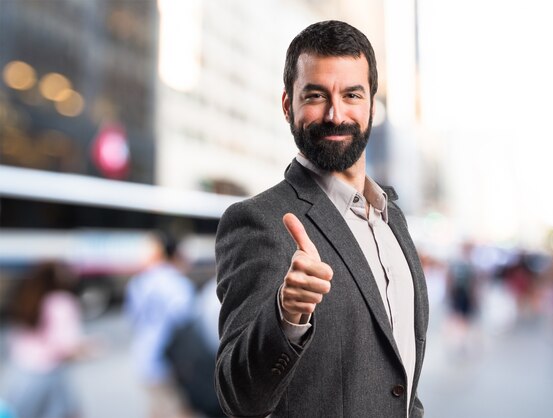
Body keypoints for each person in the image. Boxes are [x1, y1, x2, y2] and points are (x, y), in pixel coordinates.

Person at [215, 20, 429, 417]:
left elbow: (400, 381)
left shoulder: (391, 218)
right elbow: (237, 398)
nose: (335, 113)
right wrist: (286, 315)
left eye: (352, 94)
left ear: (370, 104)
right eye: (315, 95)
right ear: (287, 105)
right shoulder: (258, 222)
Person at [3, 261, 88, 418]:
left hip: (22, 373)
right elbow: (67, 346)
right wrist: (89, 349)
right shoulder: (61, 301)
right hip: (49, 375)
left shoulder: (26, 297)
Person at [125, 233, 195, 418]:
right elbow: (185, 323)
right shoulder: (177, 283)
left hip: (144, 356)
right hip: (170, 361)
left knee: (157, 409)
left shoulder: (138, 282)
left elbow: (133, 318)